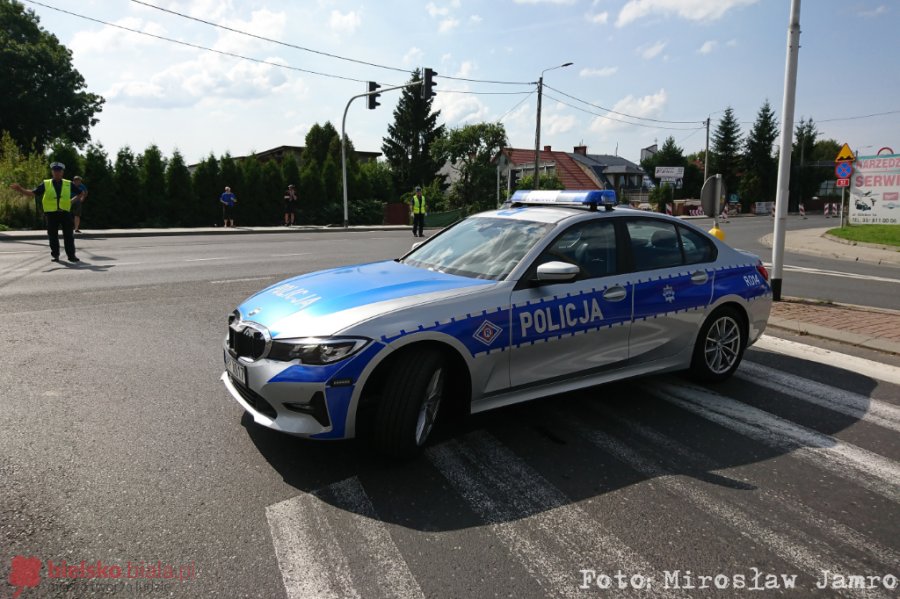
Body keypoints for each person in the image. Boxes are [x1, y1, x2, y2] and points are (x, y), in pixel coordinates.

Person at [9, 161, 83, 263]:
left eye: (59, 171)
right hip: (51, 213)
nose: (57, 173)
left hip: (65, 213)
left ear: (62, 172)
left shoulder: (68, 183)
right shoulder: (46, 183)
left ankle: (71, 256)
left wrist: (71, 201)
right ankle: (55, 255)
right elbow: (33, 193)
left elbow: (81, 193)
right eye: (55, 171)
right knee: (53, 236)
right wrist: (20, 189)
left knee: (69, 236)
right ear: (52, 172)